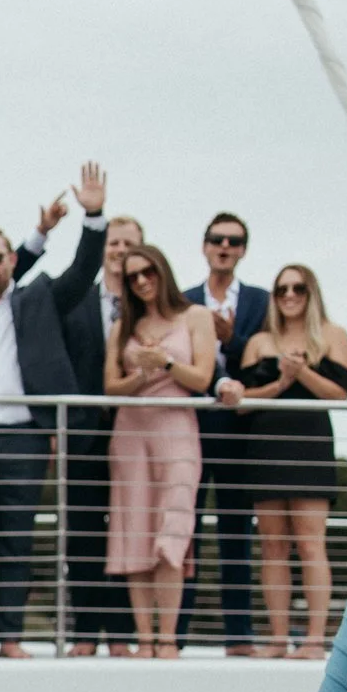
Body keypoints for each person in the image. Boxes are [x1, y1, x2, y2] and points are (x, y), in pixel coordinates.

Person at [0, 162, 111, 658]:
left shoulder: (39, 299)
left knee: (16, 541)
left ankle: (11, 637)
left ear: (11, 260)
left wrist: (93, 215)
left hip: (24, 437)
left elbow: (83, 271)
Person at [225, 263, 347, 659]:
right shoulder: (260, 341)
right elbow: (242, 403)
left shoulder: (333, 335)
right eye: (281, 289)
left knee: (310, 542)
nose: (289, 296)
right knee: (272, 545)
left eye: (298, 288)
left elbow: (341, 394)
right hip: (266, 444)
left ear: (311, 292)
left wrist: (302, 374)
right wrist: (281, 383)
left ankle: (315, 640)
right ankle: (278, 638)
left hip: (310, 443)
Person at [103, 244, 216, 658]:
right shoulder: (124, 325)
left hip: (177, 428)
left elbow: (203, 377)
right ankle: (145, 639)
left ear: (162, 271)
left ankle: (167, 638)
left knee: (173, 530)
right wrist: (141, 372)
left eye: (148, 271)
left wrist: (165, 362)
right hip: (131, 431)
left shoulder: (195, 317)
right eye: (133, 276)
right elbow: (110, 387)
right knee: (135, 531)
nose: (142, 281)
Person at [53, 208, 145, 656]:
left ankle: (123, 635)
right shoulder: (76, 301)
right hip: (85, 436)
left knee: (131, 534)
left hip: (138, 435)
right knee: (84, 534)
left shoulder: (151, 304)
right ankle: (86, 632)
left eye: (129, 245)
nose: (120, 252)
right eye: (113, 243)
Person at [182, 213, 269, 655]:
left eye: (233, 241)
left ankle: (239, 634)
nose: (224, 246)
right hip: (191, 428)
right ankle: (176, 633)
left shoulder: (261, 301)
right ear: (204, 245)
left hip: (240, 431)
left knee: (237, 532)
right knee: (186, 532)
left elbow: (262, 362)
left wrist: (232, 340)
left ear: (243, 250)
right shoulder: (183, 299)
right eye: (217, 239)